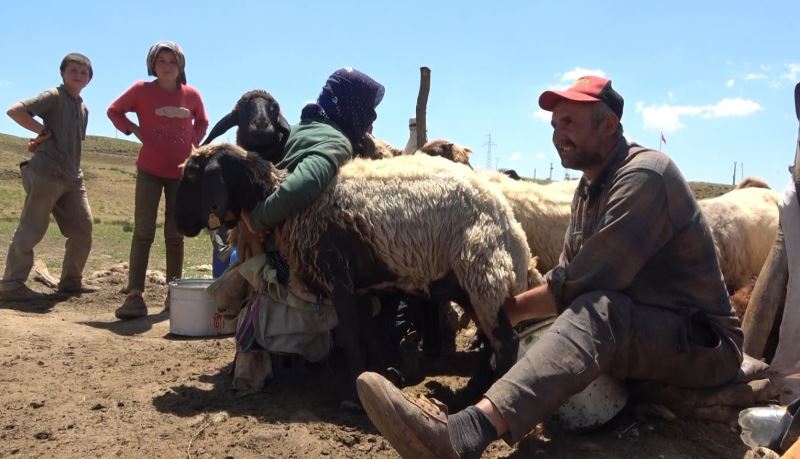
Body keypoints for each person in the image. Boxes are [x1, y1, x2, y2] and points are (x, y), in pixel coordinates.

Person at [355, 76, 744, 458]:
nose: (558, 134)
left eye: (570, 122)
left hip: (702, 342)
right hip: (651, 328)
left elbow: (590, 278)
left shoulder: (646, 176)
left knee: (597, 311)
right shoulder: (589, 189)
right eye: (555, 124)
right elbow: (565, 271)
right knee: (555, 323)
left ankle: (466, 432)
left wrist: (512, 309)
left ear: (608, 125)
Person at [108, 41, 208, 320]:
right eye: (161, 61)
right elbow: (114, 110)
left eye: (172, 62)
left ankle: (173, 294)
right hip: (149, 170)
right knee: (143, 232)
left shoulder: (192, 95)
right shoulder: (141, 90)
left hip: (179, 173)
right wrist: (134, 129)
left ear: (181, 66)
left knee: (175, 235)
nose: (167, 66)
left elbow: (202, 121)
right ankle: (134, 296)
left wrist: (193, 142)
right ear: (152, 64)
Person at [0, 53, 98, 302]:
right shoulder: (53, 96)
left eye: (84, 72)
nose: (78, 75)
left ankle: (71, 282)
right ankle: (11, 285)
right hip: (45, 173)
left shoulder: (83, 107)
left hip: (73, 177)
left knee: (83, 228)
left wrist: (40, 140)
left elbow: (69, 140)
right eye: (73, 70)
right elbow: (15, 111)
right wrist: (41, 130)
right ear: (63, 73)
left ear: (89, 78)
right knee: (32, 228)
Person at [240, 67, 384, 235]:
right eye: (368, 108)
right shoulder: (336, 142)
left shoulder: (297, 129)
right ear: (354, 109)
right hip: (286, 243)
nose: (373, 117)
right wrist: (256, 221)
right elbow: (301, 186)